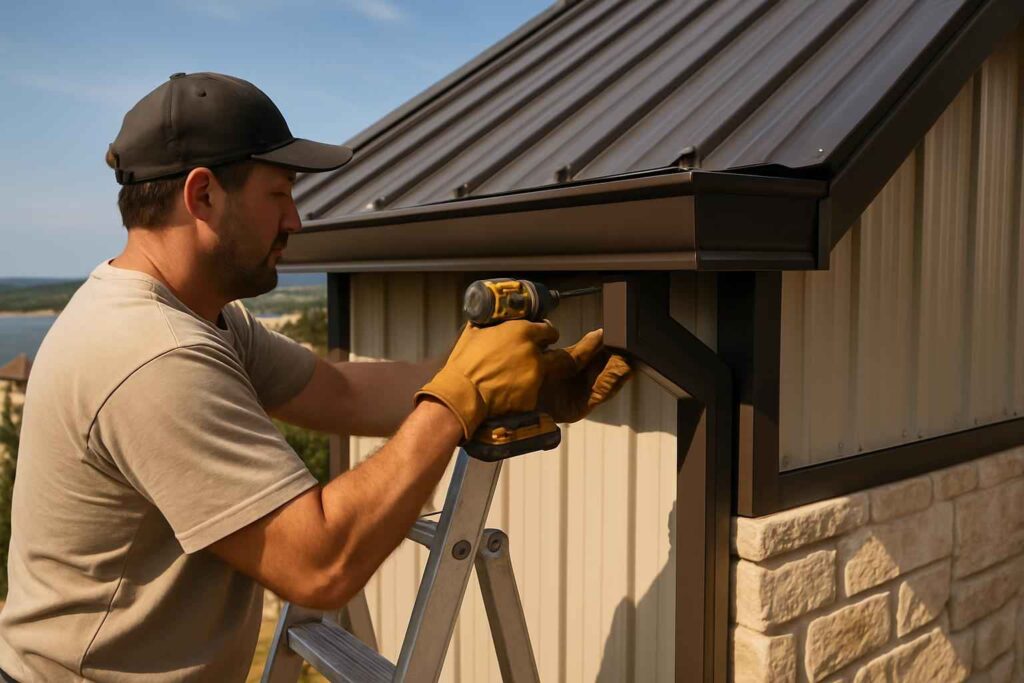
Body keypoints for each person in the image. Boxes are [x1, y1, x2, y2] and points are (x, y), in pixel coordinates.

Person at [0, 72, 632, 682]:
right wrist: (458, 400)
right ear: (202, 196)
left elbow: (345, 392)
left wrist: (520, 379)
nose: (295, 221)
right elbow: (318, 564)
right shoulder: (151, 355)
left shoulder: (203, 317)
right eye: (279, 195)